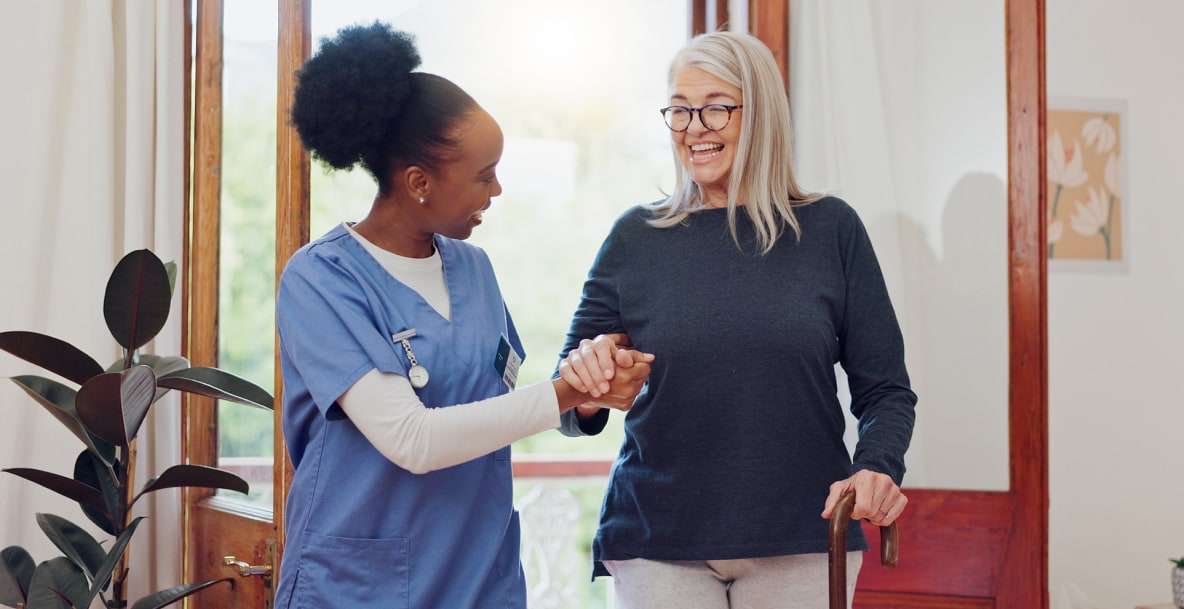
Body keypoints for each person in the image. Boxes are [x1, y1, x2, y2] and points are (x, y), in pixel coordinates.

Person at [273, 22, 652, 609]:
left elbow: (497, 406)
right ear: (420, 182)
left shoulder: (474, 270)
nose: (497, 190)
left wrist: (592, 389)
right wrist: (562, 393)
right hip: (361, 584)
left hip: (479, 575)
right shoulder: (321, 280)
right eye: (483, 175)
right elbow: (413, 439)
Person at [555, 31, 917, 608]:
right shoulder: (634, 238)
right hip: (658, 539)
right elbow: (569, 402)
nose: (693, 127)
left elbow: (887, 391)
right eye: (679, 109)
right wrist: (592, 386)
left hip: (801, 535)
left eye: (715, 107)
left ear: (763, 115)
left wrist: (876, 466)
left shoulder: (831, 230)